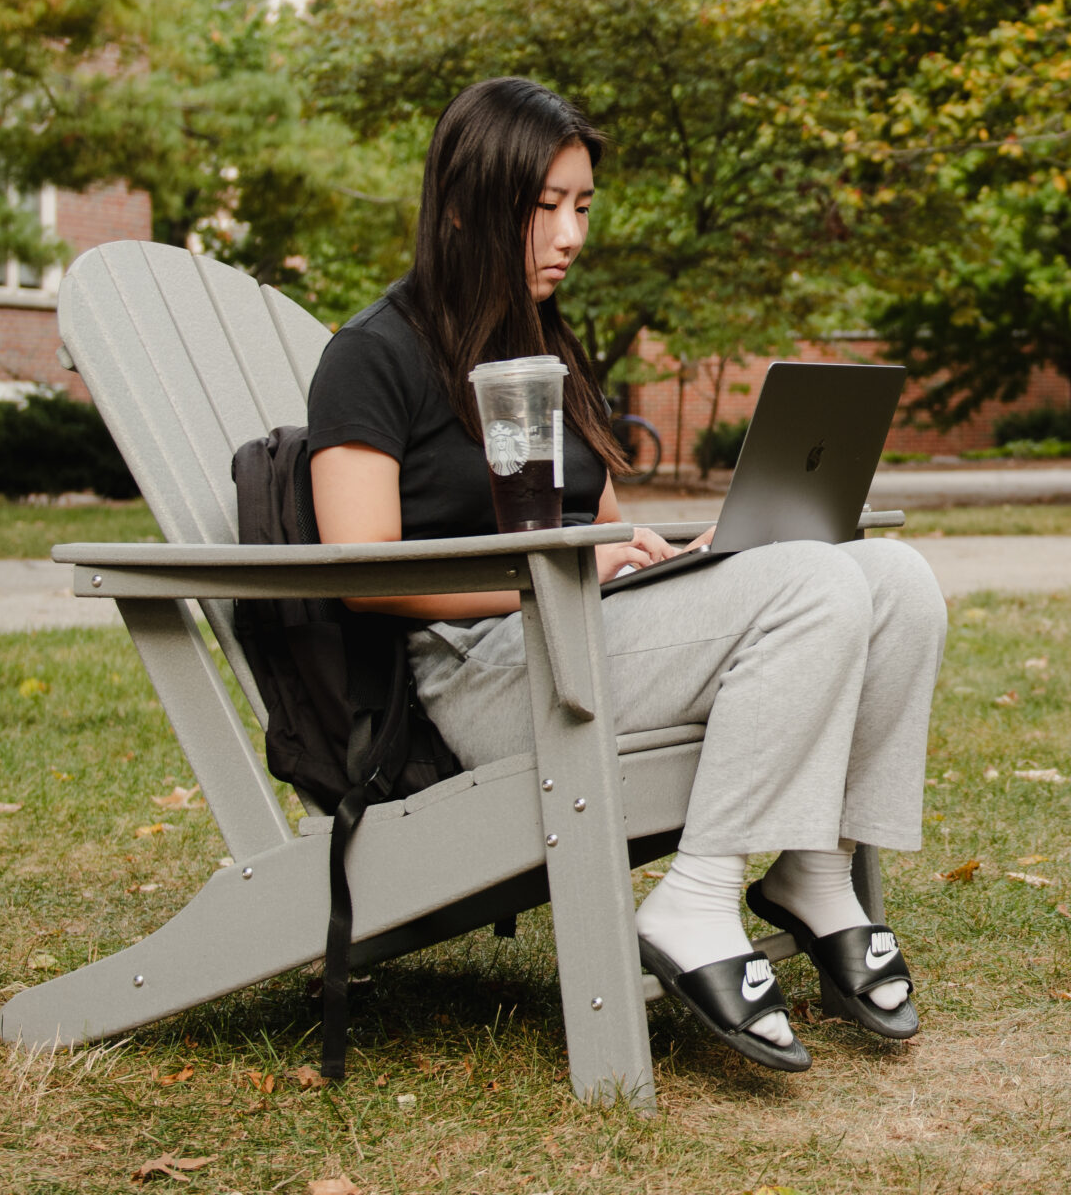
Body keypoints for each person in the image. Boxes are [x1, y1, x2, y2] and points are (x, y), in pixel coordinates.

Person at [306, 76, 947, 1073]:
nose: (570, 234)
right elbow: (364, 578)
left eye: (583, 206)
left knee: (895, 578)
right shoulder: (371, 357)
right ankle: (695, 903)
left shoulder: (544, 346)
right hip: (482, 678)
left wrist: (673, 562)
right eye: (545, 206)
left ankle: (816, 874)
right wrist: (561, 575)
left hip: (583, 638)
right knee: (816, 587)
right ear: (470, 204)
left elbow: (597, 532)